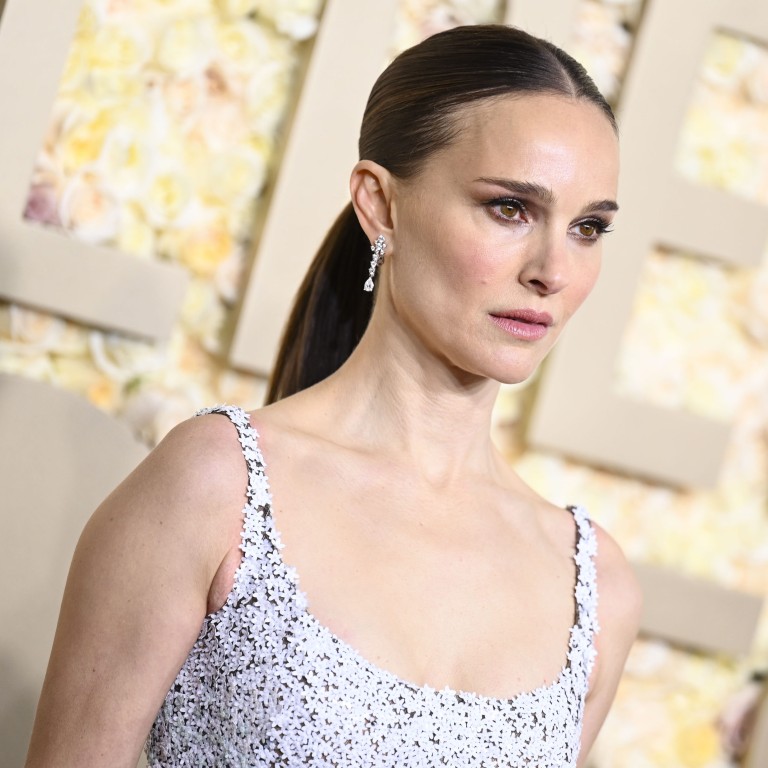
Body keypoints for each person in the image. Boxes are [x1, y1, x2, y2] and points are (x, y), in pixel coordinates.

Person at [25, 24, 642, 767]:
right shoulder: (215, 487)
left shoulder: (596, 586)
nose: (552, 269)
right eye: (509, 208)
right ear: (379, 203)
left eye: (587, 228)